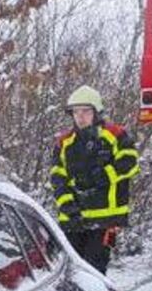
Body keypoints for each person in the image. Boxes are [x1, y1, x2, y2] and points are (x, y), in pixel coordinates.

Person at [49, 85, 141, 274]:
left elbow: (130, 162)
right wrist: (67, 206)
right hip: (73, 220)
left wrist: (106, 174)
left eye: (85, 111)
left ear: (96, 112)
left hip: (105, 217)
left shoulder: (115, 135)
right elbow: (58, 178)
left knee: (95, 271)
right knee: (71, 272)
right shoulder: (64, 142)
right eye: (76, 112)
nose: (80, 116)